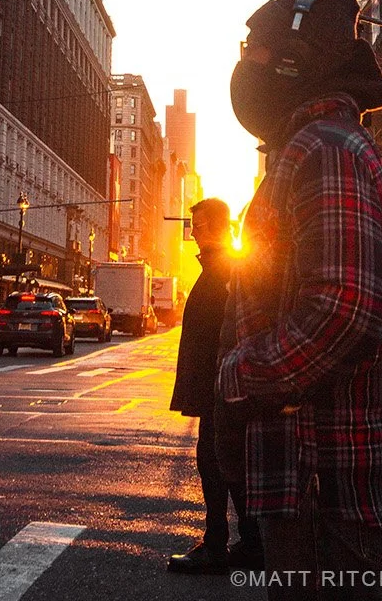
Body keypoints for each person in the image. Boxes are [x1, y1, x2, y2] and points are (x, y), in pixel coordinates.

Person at [218, 0, 382, 600]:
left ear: (292, 61)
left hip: (326, 484)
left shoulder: (324, 149)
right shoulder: (319, 145)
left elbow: (343, 309)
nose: (244, 64)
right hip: (325, 481)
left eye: (253, 49)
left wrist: (239, 373)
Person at [167, 197, 263, 575]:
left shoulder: (225, 269)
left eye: (200, 225)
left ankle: (220, 544)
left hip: (220, 386)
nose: (193, 233)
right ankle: (249, 542)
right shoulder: (217, 268)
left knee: (216, 462)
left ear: (220, 227)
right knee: (222, 461)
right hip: (215, 385)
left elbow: (233, 329)